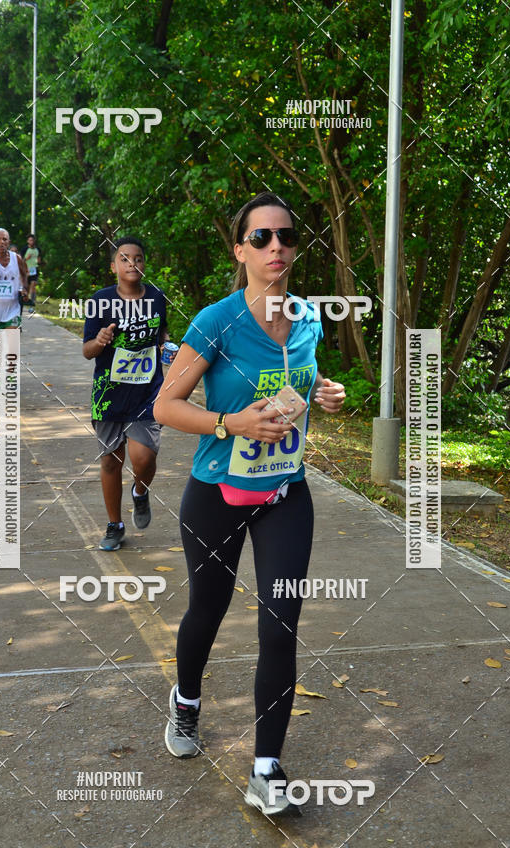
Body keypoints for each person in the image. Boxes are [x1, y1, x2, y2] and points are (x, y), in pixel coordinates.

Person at [153, 192, 346, 816]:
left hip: (285, 491)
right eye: (261, 238)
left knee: (280, 623)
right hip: (217, 493)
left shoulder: (308, 317)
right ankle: (186, 701)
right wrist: (230, 423)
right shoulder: (217, 321)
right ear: (240, 250)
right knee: (207, 609)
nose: (276, 247)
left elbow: (301, 382)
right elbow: (165, 405)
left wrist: (326, 393)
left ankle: (266, 770)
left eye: (286, 236)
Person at [82, 235, 175, 551]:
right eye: (124, 258)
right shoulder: (100, 301)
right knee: (111, 461)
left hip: (147, 393)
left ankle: (140, 491)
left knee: (143, 456)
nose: (132, 263)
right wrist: (100, 340)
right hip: (109, 395)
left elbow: (161, 333)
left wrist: (166, 346)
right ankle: (114, 525)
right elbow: (87, 351)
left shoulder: (157, 297)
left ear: (144, 264)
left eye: (138, 258)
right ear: (113, 266)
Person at [24, 234, 41, 309]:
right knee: (27, 286)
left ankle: (33, 301)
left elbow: (39, 259)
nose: (31, 241)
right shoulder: (25, 249)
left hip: (35, 269)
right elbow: (21, 260)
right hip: (26, 269)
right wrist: (26, 258)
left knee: (33, 284)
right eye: (30, 240)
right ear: (28, 241)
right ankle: (26, 299)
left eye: (33, 240)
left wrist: (39, 261)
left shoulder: (38, 249)